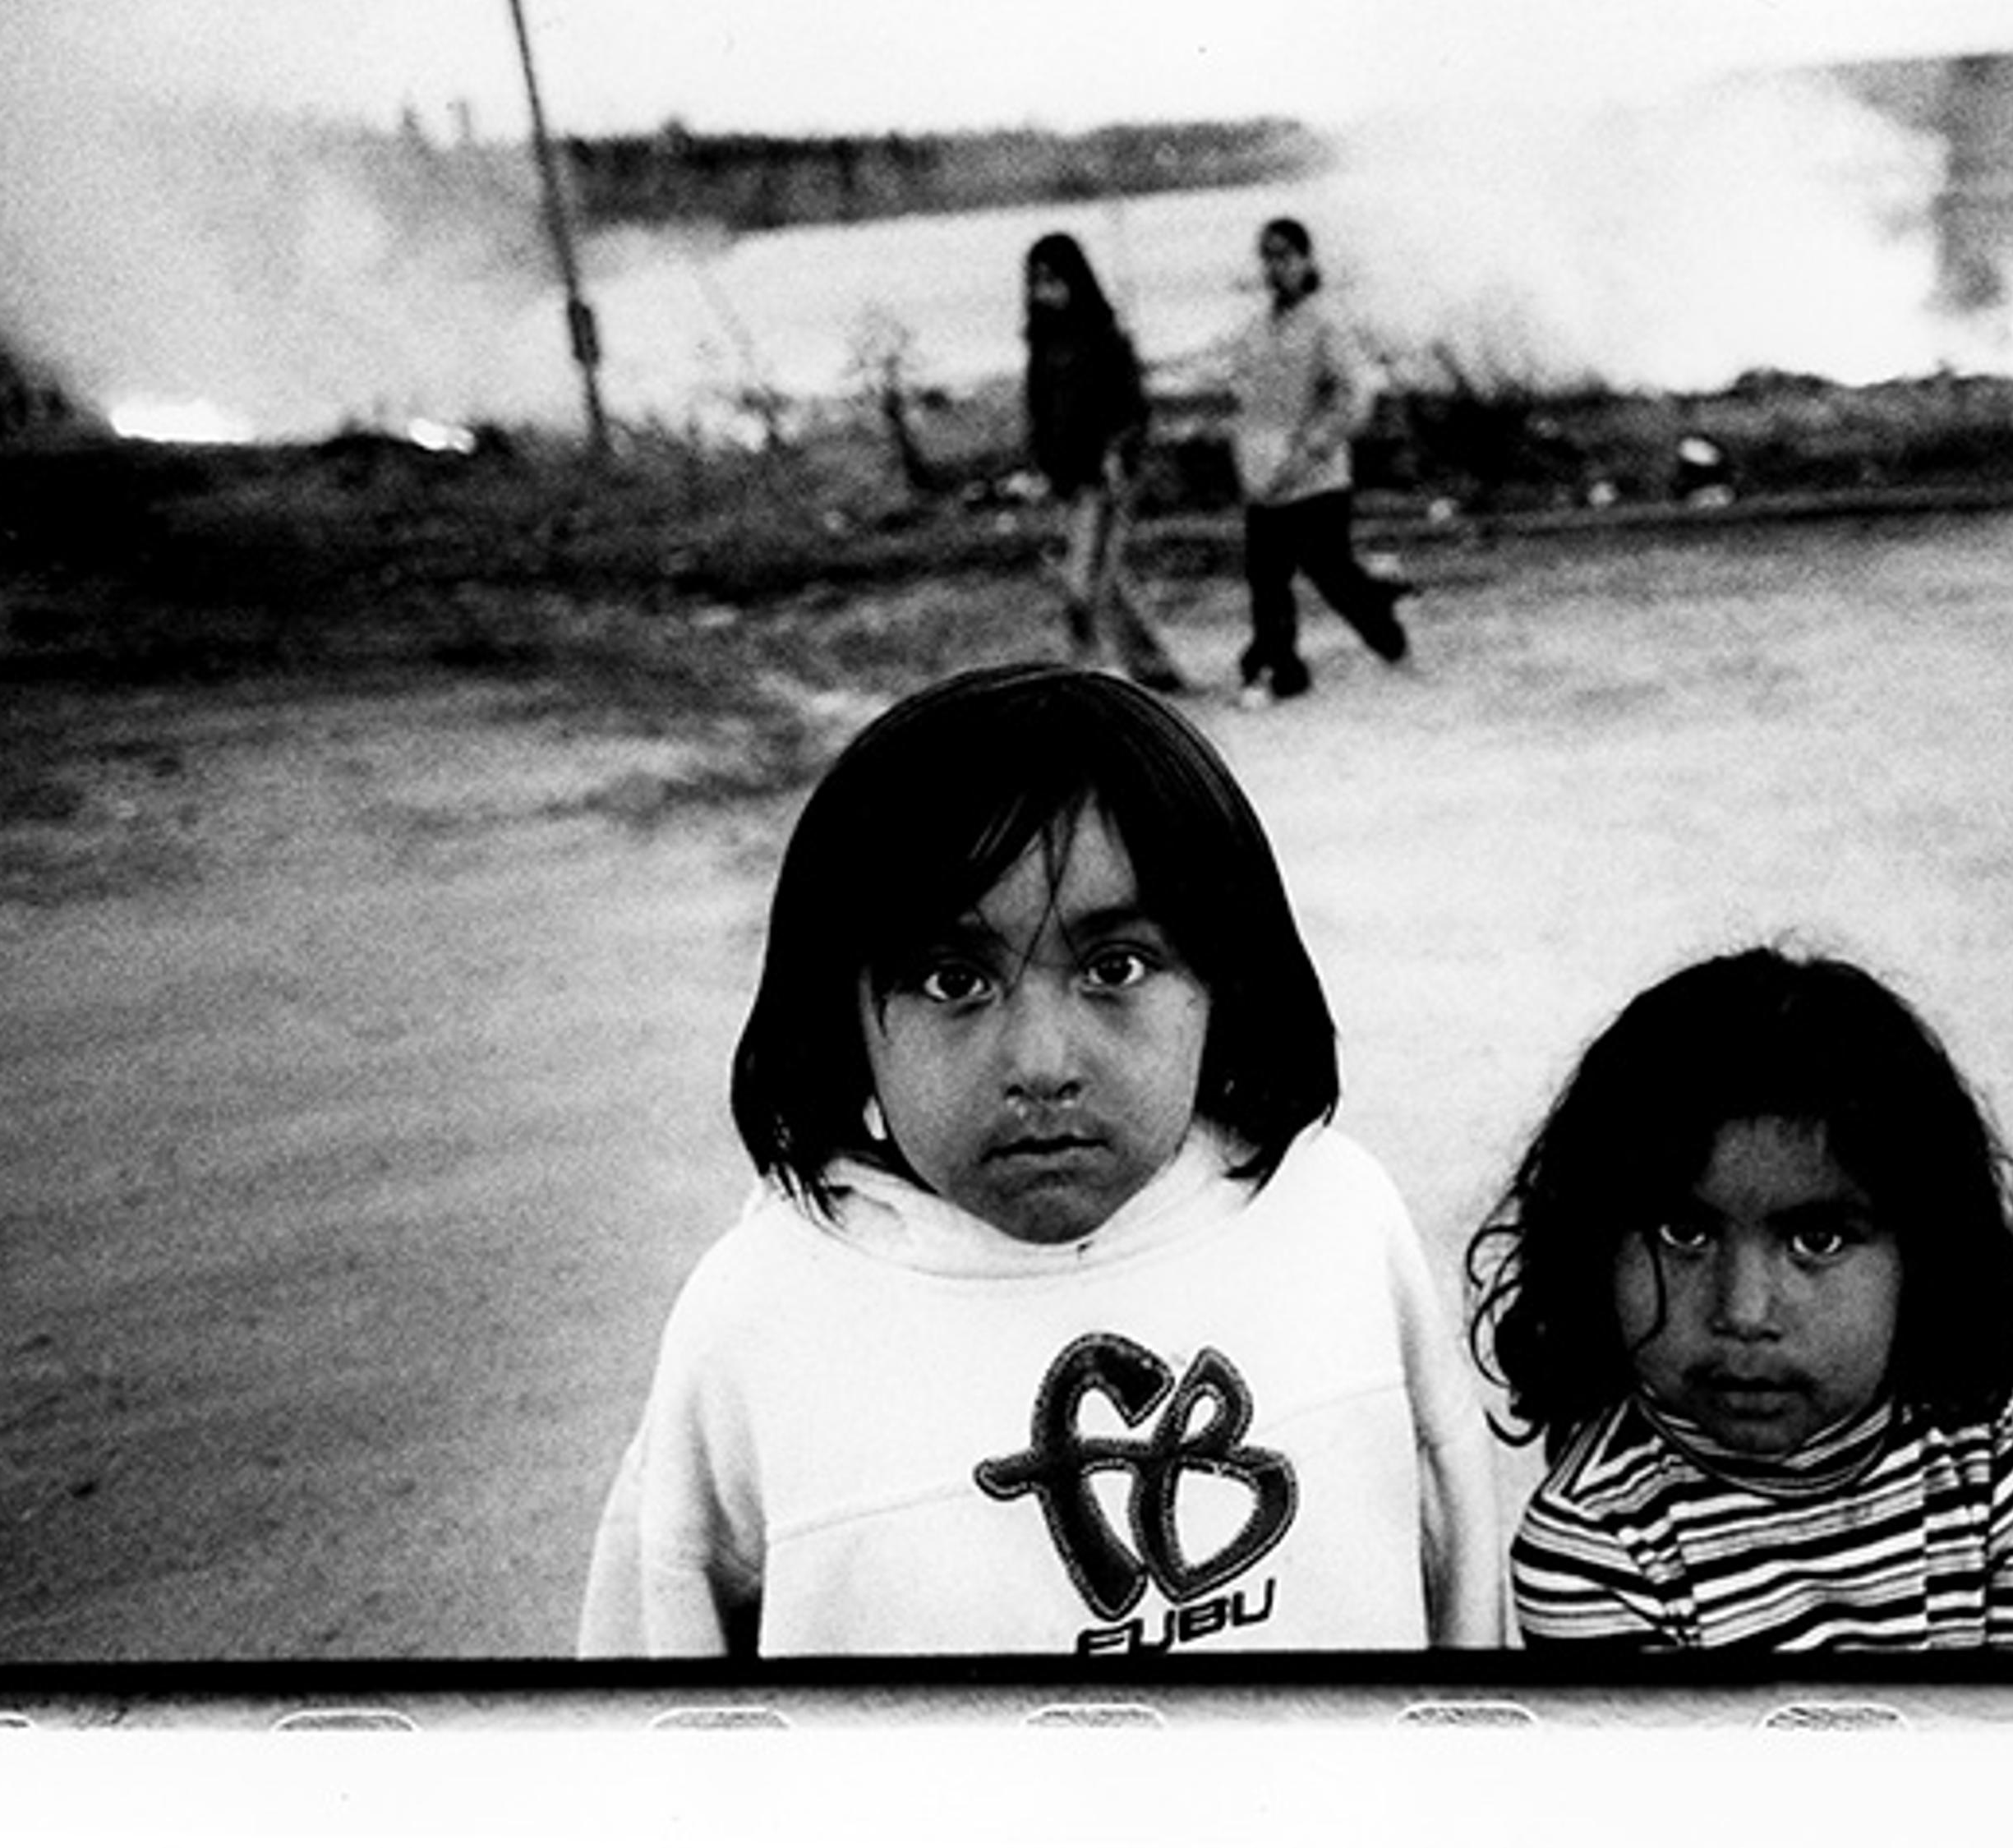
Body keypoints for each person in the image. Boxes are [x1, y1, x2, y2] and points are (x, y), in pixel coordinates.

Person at [578, 664, 1505, 1657]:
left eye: (1116, 968)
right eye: (954, 980)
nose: (1041, 1063)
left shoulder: (1332, 1222)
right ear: (842, 1018)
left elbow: (1462, 1591)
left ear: (1225, 980)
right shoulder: (757, 1322)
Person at [1466, 947, 2013, 1652]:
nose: (1744, 1312)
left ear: (1925, 1254)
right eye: (1684, 1232)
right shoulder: (1592, 1543)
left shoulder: (2005, 1464)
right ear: (1592, 1245)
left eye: (1818, 1239)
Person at [1225, 217, 1412, 705]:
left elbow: (1356, 395)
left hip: (1316, 478)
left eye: (1285, 256)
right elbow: (1250, 396)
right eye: (1267, 256)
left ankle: (1383, 626)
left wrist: (1315, 445)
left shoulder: (1325, 323)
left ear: (1306, 260)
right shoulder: (1259, 328)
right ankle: (1281, 668)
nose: (1275, 267)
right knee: (1266, 577)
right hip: (1267, 476)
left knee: (1329, 572)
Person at [1020, 233, 1186, 694]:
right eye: (1037, 281)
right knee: (1105, 580)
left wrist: (1117, 454)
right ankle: (1153, 667)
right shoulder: (1043, 345)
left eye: (1053, 280)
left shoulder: (1105, 340)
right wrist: (1041, 466)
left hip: (1103, 479)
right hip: (1068, 481)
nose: (1046, 291)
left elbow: (1132, 411)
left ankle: (1085, 676)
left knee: (1085, 585)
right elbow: (1039, 414)